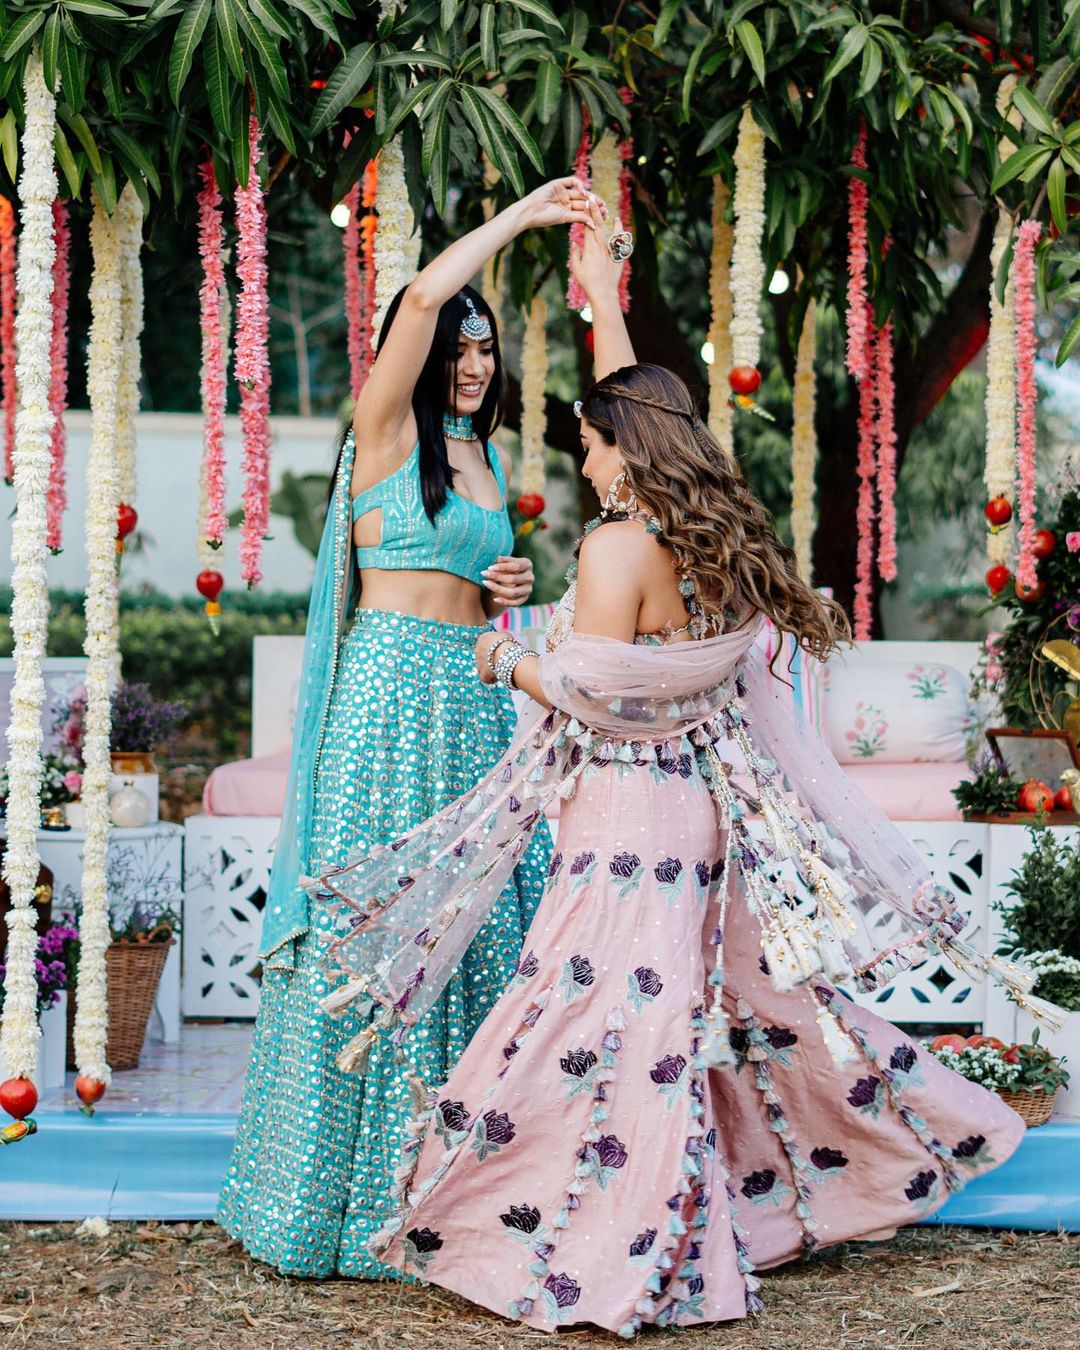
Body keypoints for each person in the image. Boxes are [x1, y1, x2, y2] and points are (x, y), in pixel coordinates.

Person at [306, 204, 1044, 1333]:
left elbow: (601, 692)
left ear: (620, 452)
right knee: (696, 1017)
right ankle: (739, 1196)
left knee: (606, 1028)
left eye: (592, 442)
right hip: (695, 814)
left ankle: (633, 1243)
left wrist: (511, 656)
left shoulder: (615, 547)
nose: (583, 455)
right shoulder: (719, 538)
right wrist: (599, 296)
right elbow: (640, 447)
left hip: (623, 813)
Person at [217, 178, 599, 1278]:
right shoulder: (385, 433)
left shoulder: (485, 459)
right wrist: (522, 220)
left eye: (486, 350)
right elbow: (426, 292)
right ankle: (329, 1212)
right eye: (458, 347)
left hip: (471, 696)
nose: (473, 364)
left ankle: (459, 1205)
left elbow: (486, 596)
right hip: (387, 696)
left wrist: (510, 584)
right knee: (377, 926)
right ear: (422, 353)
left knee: (474, 924)